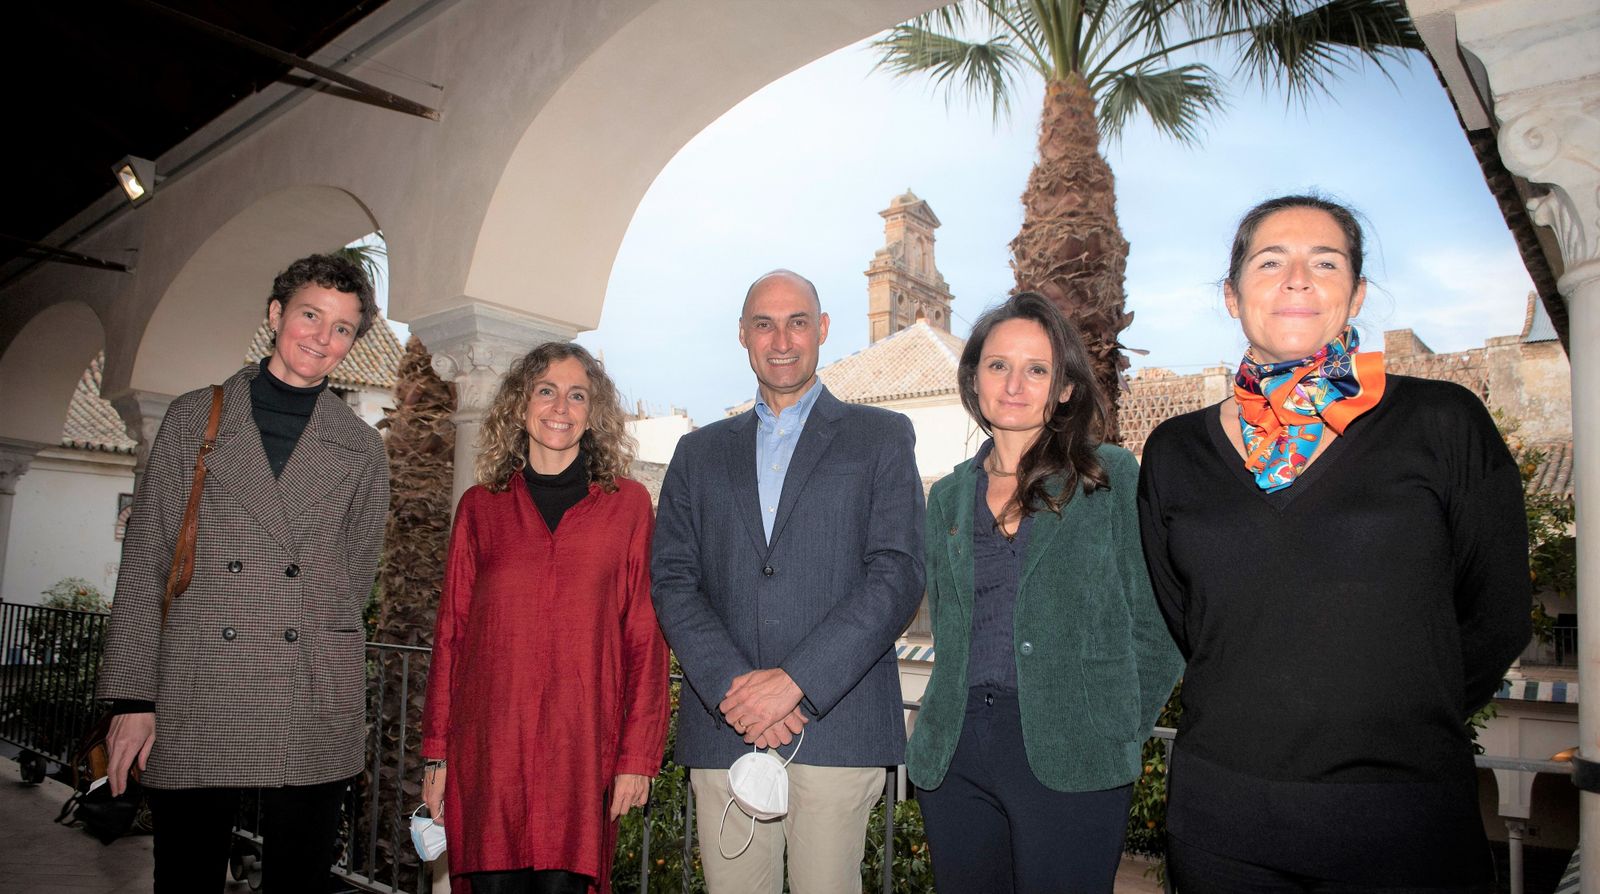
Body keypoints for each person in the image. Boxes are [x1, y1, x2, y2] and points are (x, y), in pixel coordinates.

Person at [1137, 195, 1531, 891]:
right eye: (1270, 262)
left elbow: (1496, 615)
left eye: (1325, 261)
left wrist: (1388, 714)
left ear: (1356, 294)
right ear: (1232, 297)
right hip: (1224, 823)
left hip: (1403, 822)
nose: (1297, 278)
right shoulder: (1174, 452)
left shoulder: (1443, 424)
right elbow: (1190, 620)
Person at [98, 254, 390, 892]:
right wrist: (134, 699)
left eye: (342, 328)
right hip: (200, 684)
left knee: (300, 881)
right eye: (311, 315)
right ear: (276, 314)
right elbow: (146, 560)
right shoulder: (193, 419)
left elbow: (353, 580)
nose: (322, 337)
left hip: (310, 691)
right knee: (185, 876)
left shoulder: (364, 449)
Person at [651, 269, 925, 894]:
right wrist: (735, 689)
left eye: (798, 321)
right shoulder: (698, 453)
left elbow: (898, 572)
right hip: (727, 728)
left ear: (823, 330)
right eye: (765, 324)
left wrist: (797, 684)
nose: (782, 339)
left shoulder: (880, 438)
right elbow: (672, 580)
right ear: (743, 336)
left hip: (837, 726)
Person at [905, 292, 1181, 893]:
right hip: (955, 757)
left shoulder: (1106, 477)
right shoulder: (947, 499)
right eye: (998, 365)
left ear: (1063, 389)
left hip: (1075, 752)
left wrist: (1116, 728)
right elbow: (949, 630)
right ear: (973, 377)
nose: (1014, 384)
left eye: (1037, 369)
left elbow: (1159, 622)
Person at [420, 342, 668, 894]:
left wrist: (637, 757)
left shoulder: (627, 506)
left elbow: (646, 638)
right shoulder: (480, 508)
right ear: (520, 404)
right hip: (489, 754)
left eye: (577, 395)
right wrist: (437, 753)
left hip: (582, 755)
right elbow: (451, 635)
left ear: (593, 413)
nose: (561, 406)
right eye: (546, 391)